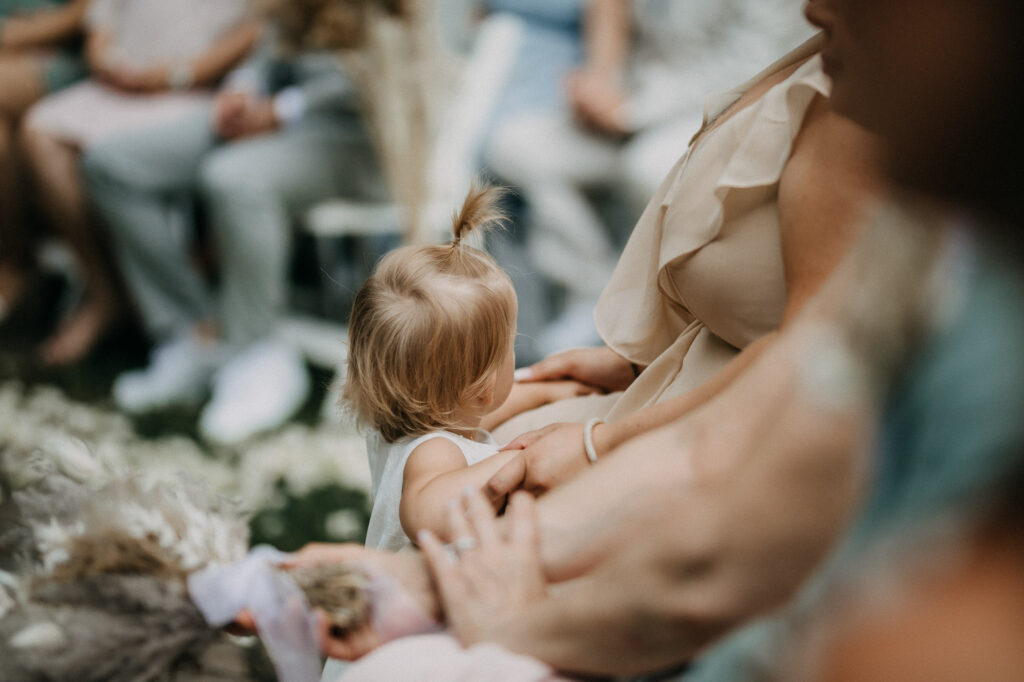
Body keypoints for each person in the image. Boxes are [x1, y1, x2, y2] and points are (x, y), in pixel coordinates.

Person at [285, 0, 1024, 677]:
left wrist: (516, 619)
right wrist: (445, 587)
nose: (812, 7)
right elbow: (709, 486)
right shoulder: (921, 257)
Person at [81, 25, 382, 443]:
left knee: (234, 178)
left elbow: (392, 73)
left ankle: (258, 352)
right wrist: (243, 87)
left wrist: (283, 110)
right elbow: (273, 32)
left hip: (359, 133)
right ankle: (194, 332)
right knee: (112, 164)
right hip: (272, 107)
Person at [485, 0, 813, 354]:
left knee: (646, 169)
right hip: (633, 98)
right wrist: (599, 82)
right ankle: (590, 295)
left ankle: (646, 316)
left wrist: (632, 111)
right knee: (516, 149)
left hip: (717, 115)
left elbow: (751, 70)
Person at [344, 184, 595, 552]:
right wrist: (521, 459)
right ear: (481, 388)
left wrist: (549, 391)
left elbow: (479, 413)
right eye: (510, 347)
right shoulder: (432, 454)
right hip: (422, 601)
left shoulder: (406, 422)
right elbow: (425, 513)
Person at [18, 0, 259, 364]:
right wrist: (107, 63)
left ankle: (167, 311)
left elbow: (256, 31)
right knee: (40, 134)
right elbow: (101, 20)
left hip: (193, 91)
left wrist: (171, 76)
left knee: (113, 159)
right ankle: (105, 287)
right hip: (117, 84)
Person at [0, 0, 89, 323]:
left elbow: (91, 10)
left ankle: (14, 263)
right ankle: (15, 261)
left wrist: (15, 36)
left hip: (58, 50)